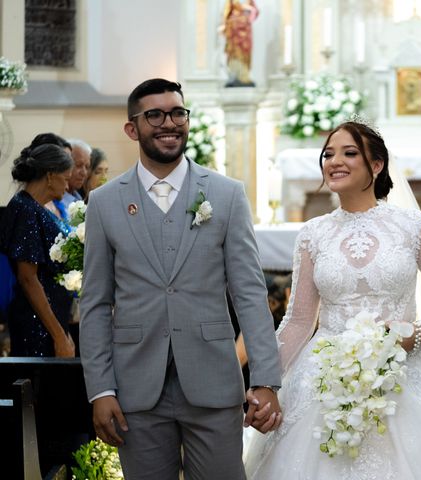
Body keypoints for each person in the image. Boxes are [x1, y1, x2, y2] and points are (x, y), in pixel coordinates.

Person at [244, 121, 421, 479]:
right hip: (324, 372)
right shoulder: (313, 233)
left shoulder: (413, 226)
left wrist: (420, 332)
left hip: (403, 368)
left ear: (377, 165)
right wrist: (267, 382)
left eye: (349, 152)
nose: (335, 161)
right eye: (328, 154)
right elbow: (298, 320)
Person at [79, 78, 282, 480]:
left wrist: (265, 381)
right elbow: (96, 303)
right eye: (154, 114)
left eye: (177, 113)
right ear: (132, 128)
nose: (168, 123)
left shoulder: (226, 194)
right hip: (136, 385)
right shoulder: (104, 202)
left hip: (213, 381)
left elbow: (249, 293)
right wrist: (100, 389)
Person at [0, 143, 76, 357]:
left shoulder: (35, 208)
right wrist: (58, 335)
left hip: (49, 320)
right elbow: (28, 278)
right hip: (37, 324)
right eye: (65, 178)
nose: (67, 185)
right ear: (50, 175)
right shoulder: (25, 209)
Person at [221, 0, 259, 86]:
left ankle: (244, 77)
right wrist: (224, 25)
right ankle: (235, 76)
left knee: (245, 53)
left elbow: (256, 12)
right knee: (235, 53)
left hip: (246, 30)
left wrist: (250, 10)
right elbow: (226, 13)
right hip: (234, 30)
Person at [61, 139, 90, 209]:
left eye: (87, 167)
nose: (84, 173)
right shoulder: (52, 203)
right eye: (79, 165)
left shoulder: (79, 198)